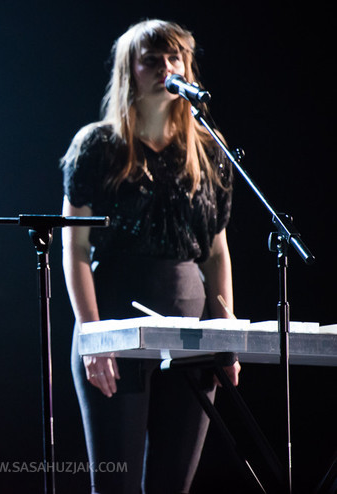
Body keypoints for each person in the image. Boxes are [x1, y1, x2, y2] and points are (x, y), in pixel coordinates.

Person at [60, 19, 241, 493]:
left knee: (172, 483)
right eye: (152, 59)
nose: (166, 66)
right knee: (115, 481)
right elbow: (74, 248)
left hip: (192, 324)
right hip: (116, 318)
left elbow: (216, 252)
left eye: (174, 57)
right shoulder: (98, 146)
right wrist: (93, 334)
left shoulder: (208, 151)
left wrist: (226, 330)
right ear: (131, 71)